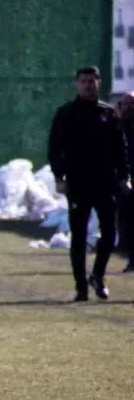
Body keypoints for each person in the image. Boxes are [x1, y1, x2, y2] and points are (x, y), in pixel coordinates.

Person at [47, 66, 131, 301]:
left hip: (105, 183)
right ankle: (80, 286)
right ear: (77, 84)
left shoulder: (109, 113)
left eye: (92, 81)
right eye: (83, 81)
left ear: (99, 83)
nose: (88, 85)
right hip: (78, 183)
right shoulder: (66, 114)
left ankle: (98, 276)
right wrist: (59, 176)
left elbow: (120, 149)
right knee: (80, 234)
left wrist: (125, 176)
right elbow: (55, 148)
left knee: (109, 232)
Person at [117, 92, 134, 272]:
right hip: (123, 180)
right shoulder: (118, 127)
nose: (129, 107)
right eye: (126, 104)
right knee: (126, 220)